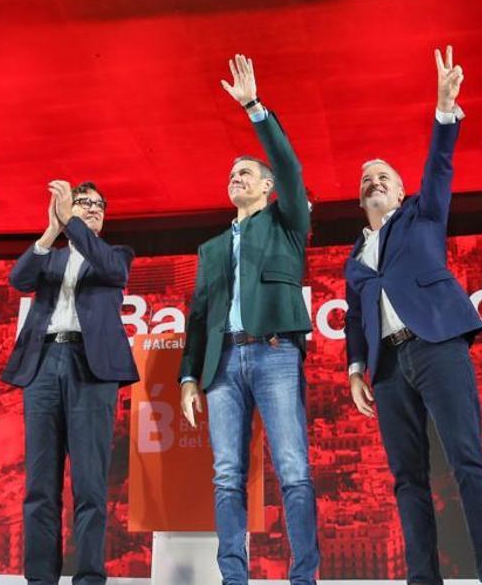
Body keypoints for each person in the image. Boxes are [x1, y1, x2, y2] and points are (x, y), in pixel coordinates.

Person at [343, 46, 482, 585]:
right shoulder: (353, 260)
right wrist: (355, 369)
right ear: (360, 200)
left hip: (437, 345)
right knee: (406, 478)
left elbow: (439, 164)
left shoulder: (423, 214)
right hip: (389, 370)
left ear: (400, 191)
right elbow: (355, 317)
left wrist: (444, 110)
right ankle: (422, 578)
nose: (374, 180)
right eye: (366, 179)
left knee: (467, 457)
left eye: (383, 176)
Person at [179, 54, 318, 584]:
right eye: (232, 175)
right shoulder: (211, 248)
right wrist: (190, 375)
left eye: (246, 173)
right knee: (226, 477)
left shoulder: (286, 223)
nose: (236, 179)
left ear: (266, 187)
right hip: (220, 366)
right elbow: (197, 318)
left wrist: (254, 108)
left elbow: (290, 166)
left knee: (294, 471)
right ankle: (233, 577)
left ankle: (303, 577)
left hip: (275, 352)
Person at [3, 180, 139, 585]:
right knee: (40, 482)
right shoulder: (51, 256)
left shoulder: (114, 254)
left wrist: (73, 222)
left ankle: (89, 577)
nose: (94, 208)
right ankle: (40, 578)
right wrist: (51, 230)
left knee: (89, 482)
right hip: (43, 363)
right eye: (84, 202)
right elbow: (18, 278)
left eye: (99, 205)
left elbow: (113, 271)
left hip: (90, 368)